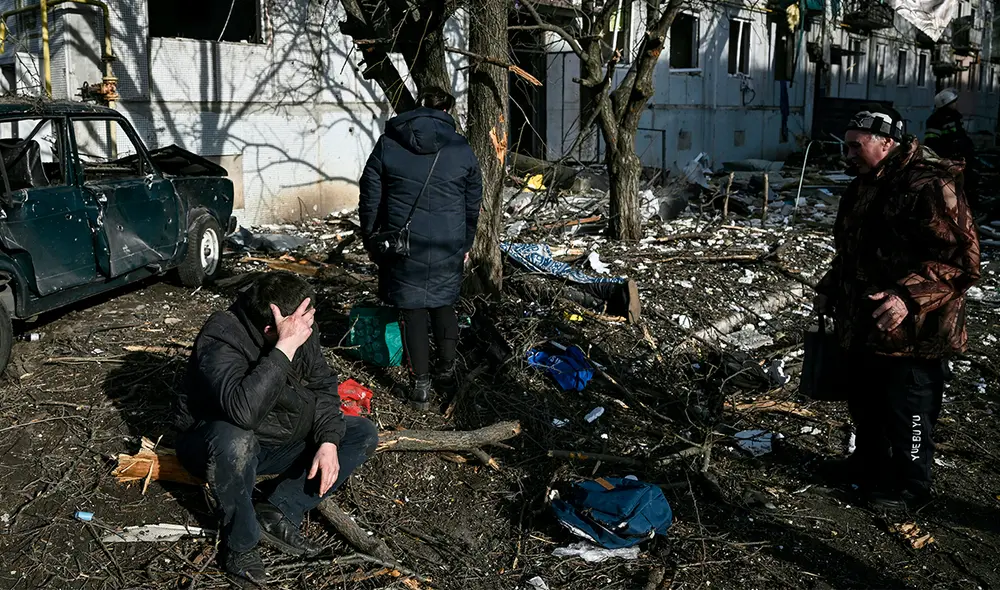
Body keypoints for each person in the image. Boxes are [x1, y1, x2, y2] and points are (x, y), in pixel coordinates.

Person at [814, 104, 980, 511]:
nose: (848, 154)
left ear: (887, 143)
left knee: (909, 410)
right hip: (867, 322)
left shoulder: (930, 185)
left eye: (857, 146)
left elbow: (962, 261)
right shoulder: (865, 184)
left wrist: (906, 297)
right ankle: (868, 465)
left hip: (917, 332)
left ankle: (911, 487)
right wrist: (830, 287)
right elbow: (852, 251)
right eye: (846, 145)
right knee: (866, 400)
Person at [174, 272, 379, 586]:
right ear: (272, 328)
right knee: (235, 441)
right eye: (300, 327)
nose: (307, 330)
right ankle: (240, 544)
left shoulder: (301, 325)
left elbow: (323, 386)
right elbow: (243, 412)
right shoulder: (222, 336)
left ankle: (278, 510)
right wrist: (284, 348)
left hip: (278, 436)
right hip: (216, 444)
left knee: (360, 433)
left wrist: (328, 441)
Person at [359, 87, 483, 411]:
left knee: (412, 311)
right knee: (444, 305)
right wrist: (466, 242)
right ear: (447, 111)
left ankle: (420, 389)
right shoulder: (460, 148)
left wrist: (371, 238)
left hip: (404, 244)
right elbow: (473, 202)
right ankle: (447, 371)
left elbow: (370, 196)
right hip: (448, 242)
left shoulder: (389, 143)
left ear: (417, 107)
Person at [925, 88, 980, 209]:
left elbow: (961, 136)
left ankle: (970, 208)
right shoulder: (935, 120)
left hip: (963, 158)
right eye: (954, 102)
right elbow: (932, 142)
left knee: (970, 183)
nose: (956, 104)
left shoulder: (955, 117)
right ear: (947, 104)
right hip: (950, 160)